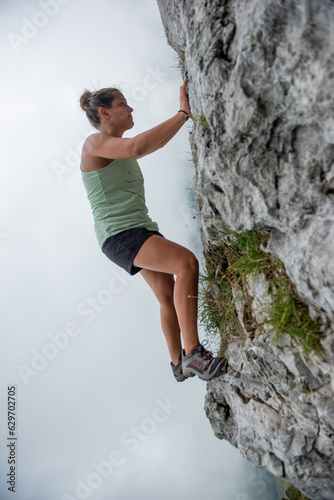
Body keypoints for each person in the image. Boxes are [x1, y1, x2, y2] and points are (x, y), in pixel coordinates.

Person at [79, 78, 227, 382]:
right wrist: (182, 113)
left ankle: (178, 363)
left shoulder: (116, 148)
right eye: (122, 104)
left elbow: (150, 145)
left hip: (135, 230)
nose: (131, 108)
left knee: (166, 292)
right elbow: (138, 146)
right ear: (104, 113)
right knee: (186, 263)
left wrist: (183, 116)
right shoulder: (94, 144)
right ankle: (194, 354)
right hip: (121, 233)